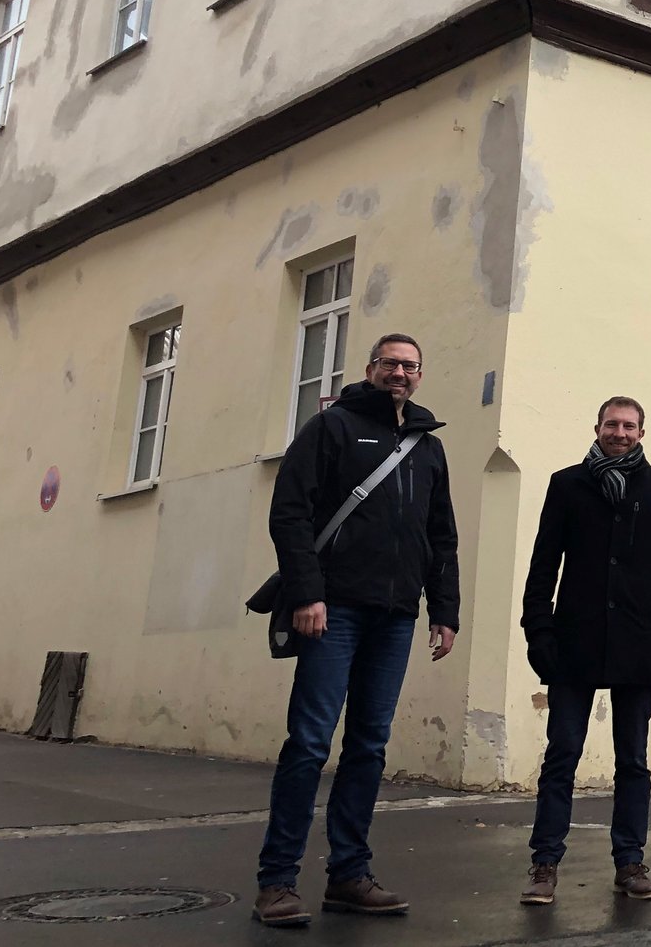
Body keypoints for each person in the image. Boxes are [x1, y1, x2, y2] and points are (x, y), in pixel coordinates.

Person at [254, 334, 459, 927]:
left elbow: (440, 535)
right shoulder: (333, 428)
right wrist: (307, 593)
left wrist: (444, 610)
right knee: (310, 744)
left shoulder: (428, 447)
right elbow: (289, 512)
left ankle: (348, 874)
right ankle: (277, 881)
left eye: (410, 366)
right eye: (390, 363)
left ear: (420, 375)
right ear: (370, 369)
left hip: (397, 615)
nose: (400, 373)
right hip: (333, 610)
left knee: (368, 746)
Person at [517, 396, 651, 905]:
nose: (620, 432)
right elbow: (543, 564)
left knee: (633, 759)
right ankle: (544, 863)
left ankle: (630, 862)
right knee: (562, 754)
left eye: (629, 426)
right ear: (597, 428)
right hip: (575, 639)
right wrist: (538, 631)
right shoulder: (568, 483)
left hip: (639, 642)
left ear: (642, 433)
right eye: (612, 424)